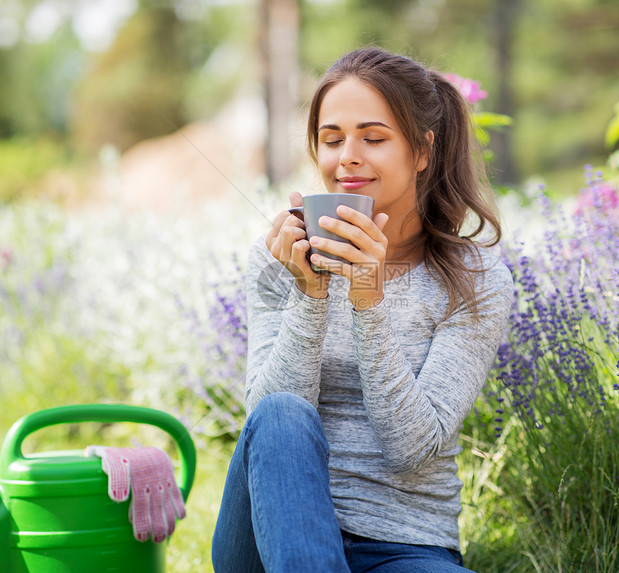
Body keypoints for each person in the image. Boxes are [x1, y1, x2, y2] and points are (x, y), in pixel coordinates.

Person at [212, 46, 514, 572]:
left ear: (422, 150)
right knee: (283, 411)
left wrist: (367, 299)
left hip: (403, 547)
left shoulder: (475, 280)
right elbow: (265, 423)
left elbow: (411, 450)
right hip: (271, 537)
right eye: (332, 140)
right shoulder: (277, 258)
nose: (347, 156)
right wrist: (311, 292)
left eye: (373, 138)